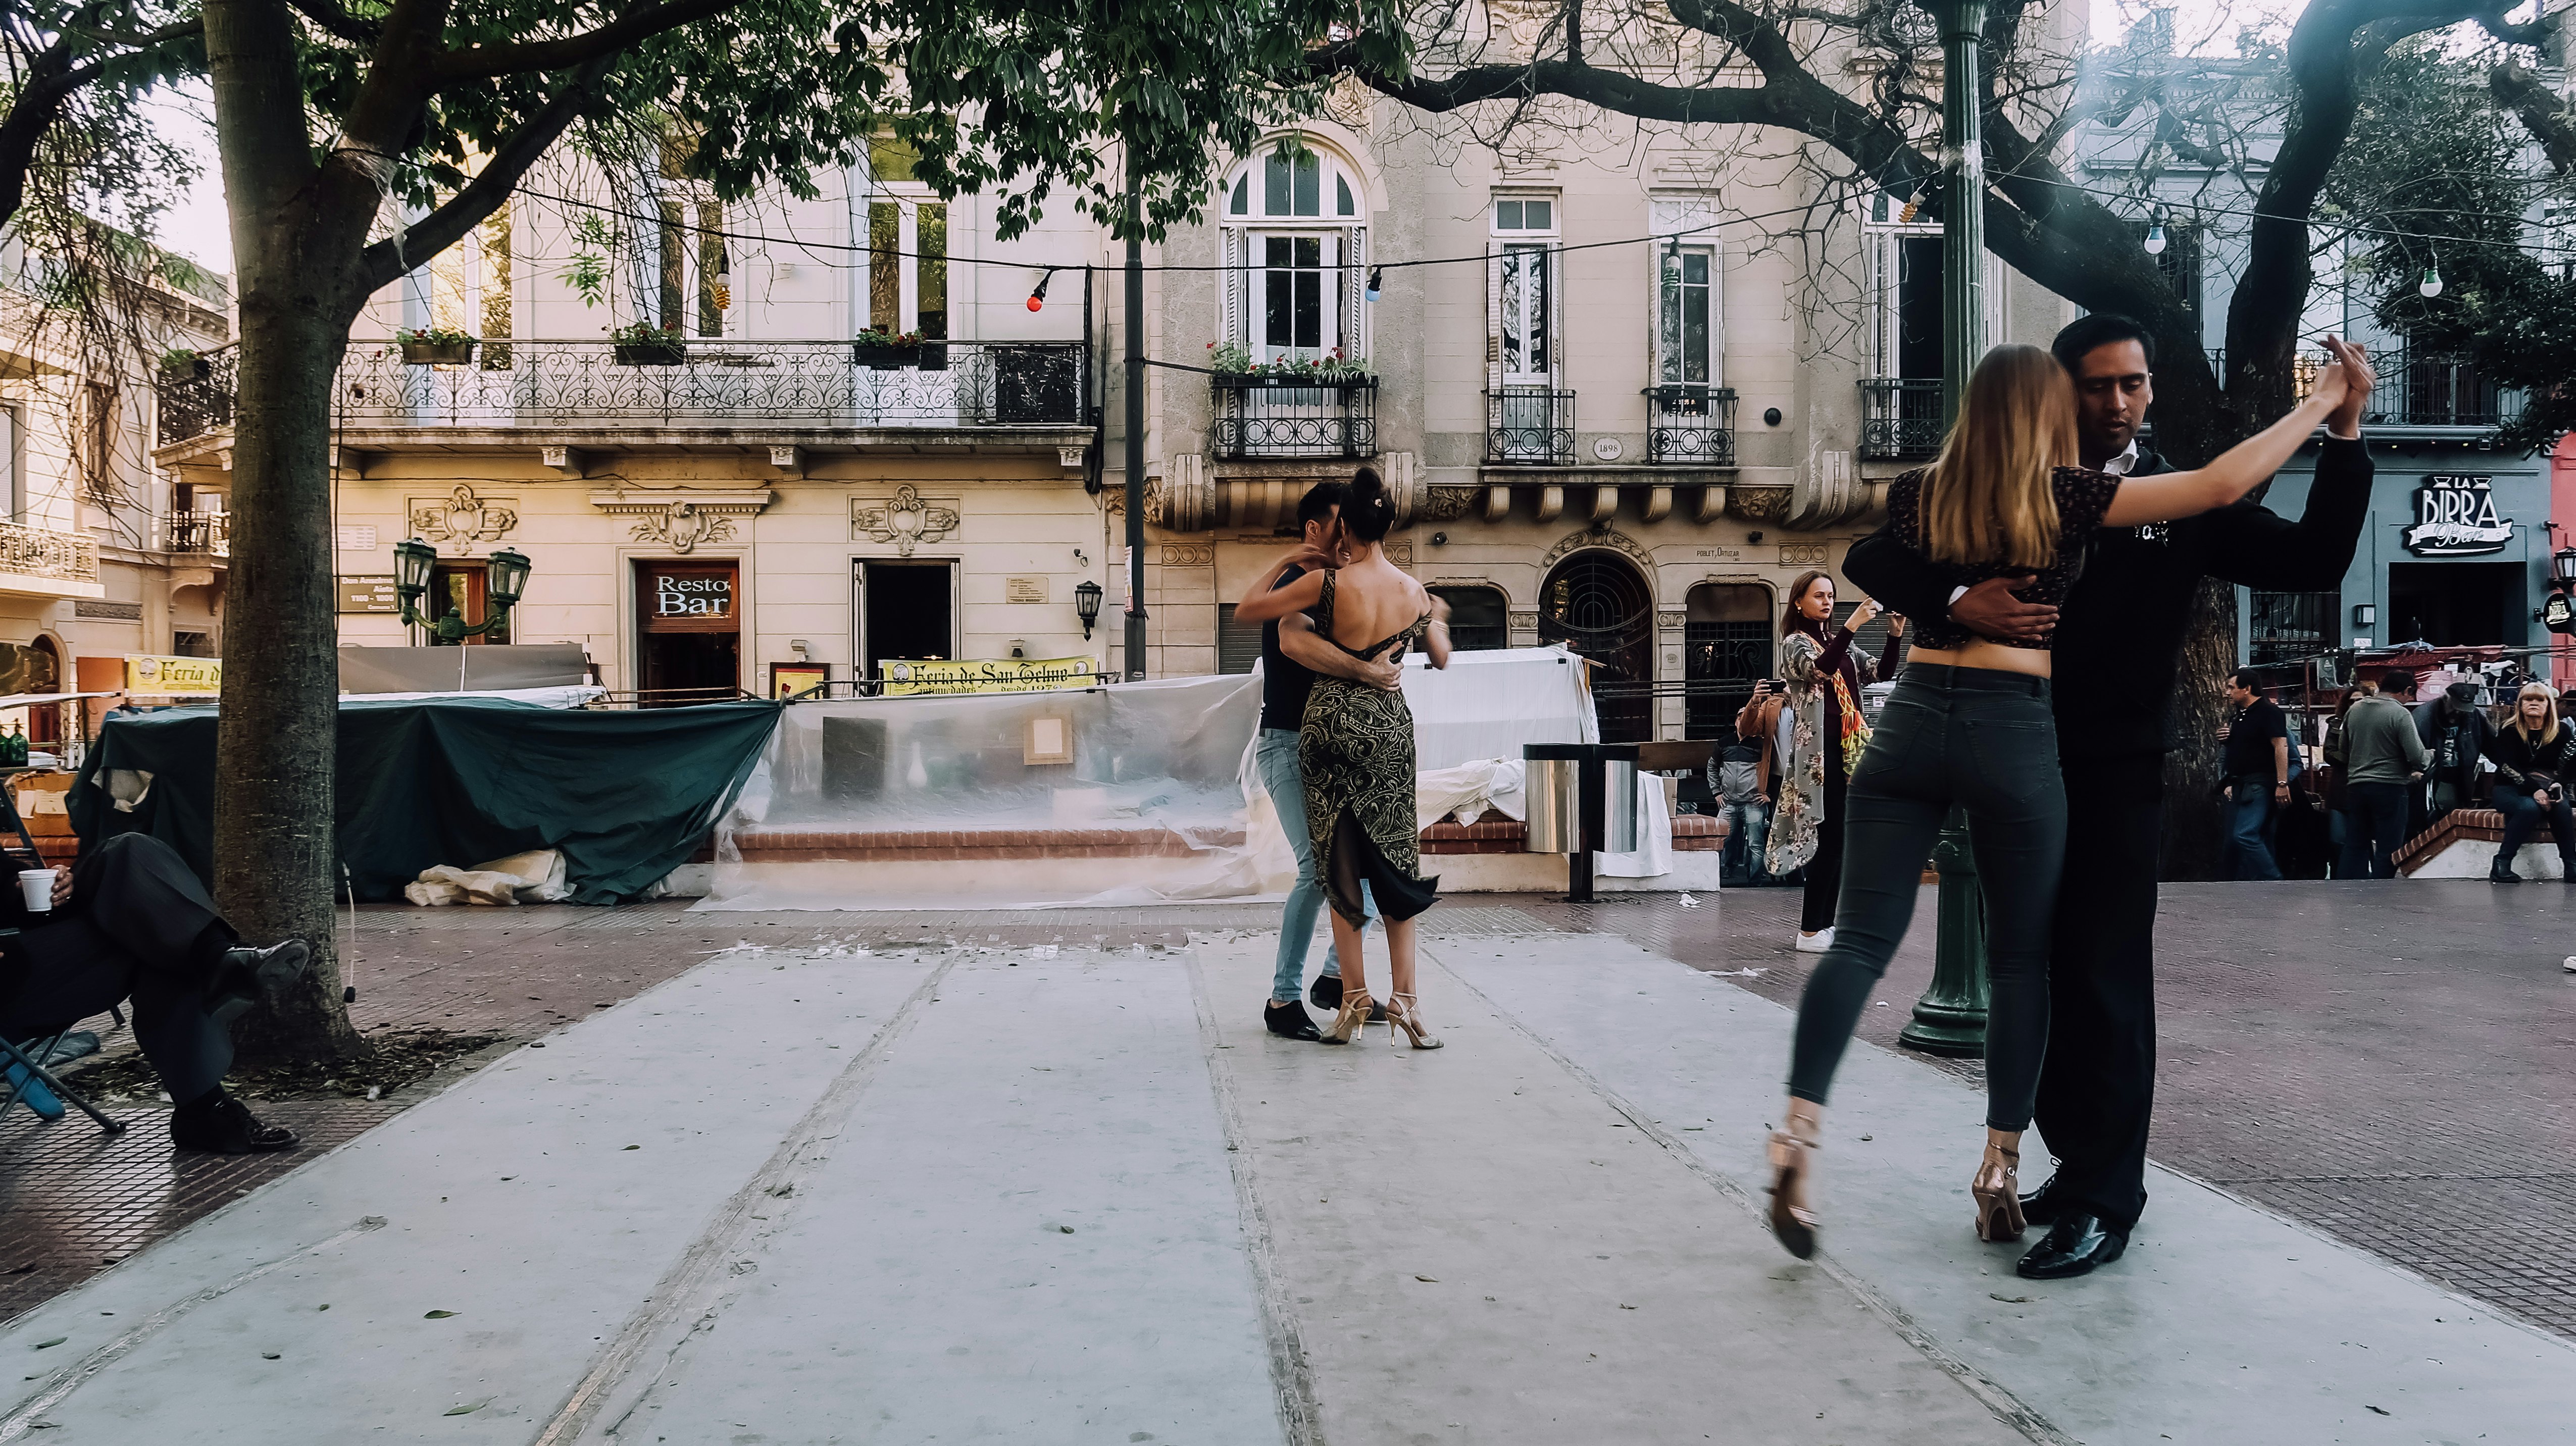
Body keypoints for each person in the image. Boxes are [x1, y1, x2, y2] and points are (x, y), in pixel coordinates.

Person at [1766, 336, 2365, 1267]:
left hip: (2084, 752)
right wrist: (1962, 597)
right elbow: (1873, 557)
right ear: (2059, 397)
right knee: (2028, 964)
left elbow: (2315, 556)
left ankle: (2097, 1190)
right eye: (2097, 387)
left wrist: (2346, 437)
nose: (2119, 401)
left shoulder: (1982, 484)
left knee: (2096, 971)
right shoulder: (2052, 488)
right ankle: (2032, 1159)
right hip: (2017, 738)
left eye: (2134, 382)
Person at [1235, 469, 1451, 1047]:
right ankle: (1284, 997)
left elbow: (1424, 636)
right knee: (1321, 868)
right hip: (1287, 741)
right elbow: (1288, 638)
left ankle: (1338, 982)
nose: (1342, 542)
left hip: (1339, 741)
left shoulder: (1343, 581)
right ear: (1317, 530)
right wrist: (1372, 667)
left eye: (1348, 528)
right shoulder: (1305, 577)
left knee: (1370, 867)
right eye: (1335, 529)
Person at [0, 832, 313, 1153]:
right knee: (157, 936)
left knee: (128, 852)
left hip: (23, 956)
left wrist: (24, 887)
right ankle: (204, 1105)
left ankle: (219, 959)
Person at [1763, 573, 1904, 950]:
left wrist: (1893, 635)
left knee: (1841, 839)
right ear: (1798, 602)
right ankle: (1810, 928)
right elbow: (1818, 671)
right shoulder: (1795, 643)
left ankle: (1826, 924)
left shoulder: (1839, 644)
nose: (1826, 602)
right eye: (1818, 596)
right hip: (1817, 757)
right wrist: (1852, 625)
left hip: (1847, 751)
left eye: (1830, 595)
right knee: (1826, 838)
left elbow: (1881, 673)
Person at [2333, 669, 2427, 879]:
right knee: (2388, 846)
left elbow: (2343, 748)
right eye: (2410, 696)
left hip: (2357, 786)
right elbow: (2416, 756)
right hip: (2390, 787)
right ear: (2407, 690)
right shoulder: (2400, 714)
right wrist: (2430, 757)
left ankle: (2346, 889)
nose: (2408, 700)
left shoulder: (2354, 710)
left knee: (2355, 843)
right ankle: (2381, 892)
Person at [2483, 682, 2576, 882]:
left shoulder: (2562, 731)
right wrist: (2534, 790)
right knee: (2529, 808)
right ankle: (2501, 864)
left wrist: (2559, 785)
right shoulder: (2509, 730)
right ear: (2520, 704)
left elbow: (2567, 765)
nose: (2534, 703)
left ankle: (2571, 866)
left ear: (2549, 704)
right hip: (2509, 787)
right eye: (2528, 699)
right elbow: (2507, 766)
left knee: (2562, 808)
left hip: (2549, 785)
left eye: (2540, 700)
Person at [2217, 673, 2296, 881]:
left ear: (2247, 689)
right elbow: (2249, 748)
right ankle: (2257, 881)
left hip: (2260, 784)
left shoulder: (2269, 712)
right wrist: (2229, 739)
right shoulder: (2240, 716)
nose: (2227, 693)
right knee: (2248, 837)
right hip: (2241, 784)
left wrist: (2282, 783)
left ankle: (2273, 878)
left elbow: (2281, 746)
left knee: (2245, 834)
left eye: (2231, 687)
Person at [2415, 681, 2494, 823]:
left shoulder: (2473, 716)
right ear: (2446, 699)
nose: (2458, 712)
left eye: (2463, 709)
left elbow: (2493, 745)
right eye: (2455, 707)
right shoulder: (2424, 717)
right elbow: (2412, 750)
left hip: (2462, 777)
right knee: (2436, 818)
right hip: (2433, 777)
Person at [1713, 730, 1770, 888]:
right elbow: (1712, 766)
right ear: (1736, 722)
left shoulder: (1761, 744)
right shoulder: (1725, 742)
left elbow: (1773, 768)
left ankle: (1755, 880)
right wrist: (1717, 792)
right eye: (1740, 717)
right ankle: (1721, 874)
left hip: (1753, 802)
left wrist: (1768, 793)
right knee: (1721, 841)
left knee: (1755, 844)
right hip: (1729, 802)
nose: (1743, 721)